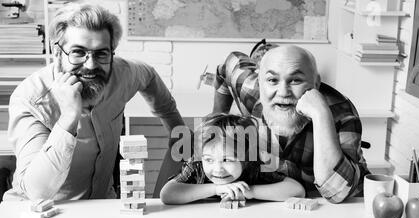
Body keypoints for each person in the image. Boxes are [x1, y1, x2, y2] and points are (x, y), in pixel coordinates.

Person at [4, 3, 184, 201]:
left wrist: (178, 132)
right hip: (47, 212)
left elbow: (149, 76)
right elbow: (35, 191)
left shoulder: (122, 73)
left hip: (102, 203)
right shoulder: (31, 99)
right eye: (78, 52)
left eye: (101, 53)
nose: (90, 65)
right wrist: (68, 118)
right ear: (57, 53)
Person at [213, 45, 370, 203]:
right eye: (273, 80)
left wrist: (321, 115)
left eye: (295, 80)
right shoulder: (250, 89)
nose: (283, 92)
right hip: (273, 203)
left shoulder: (342, 113)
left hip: (334, 208)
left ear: (316, 84)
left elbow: (337, 193)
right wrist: (217, 121)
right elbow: (226, 67)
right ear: (260, 83)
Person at [160, 114, 305, 205]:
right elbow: (167, 194)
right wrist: (216, 189)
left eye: (227, 160)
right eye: (209, 160)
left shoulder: (254, 166)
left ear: (246, 159)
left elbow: (297, 190)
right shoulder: (196, 166)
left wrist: (250, 192)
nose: (217, 169)